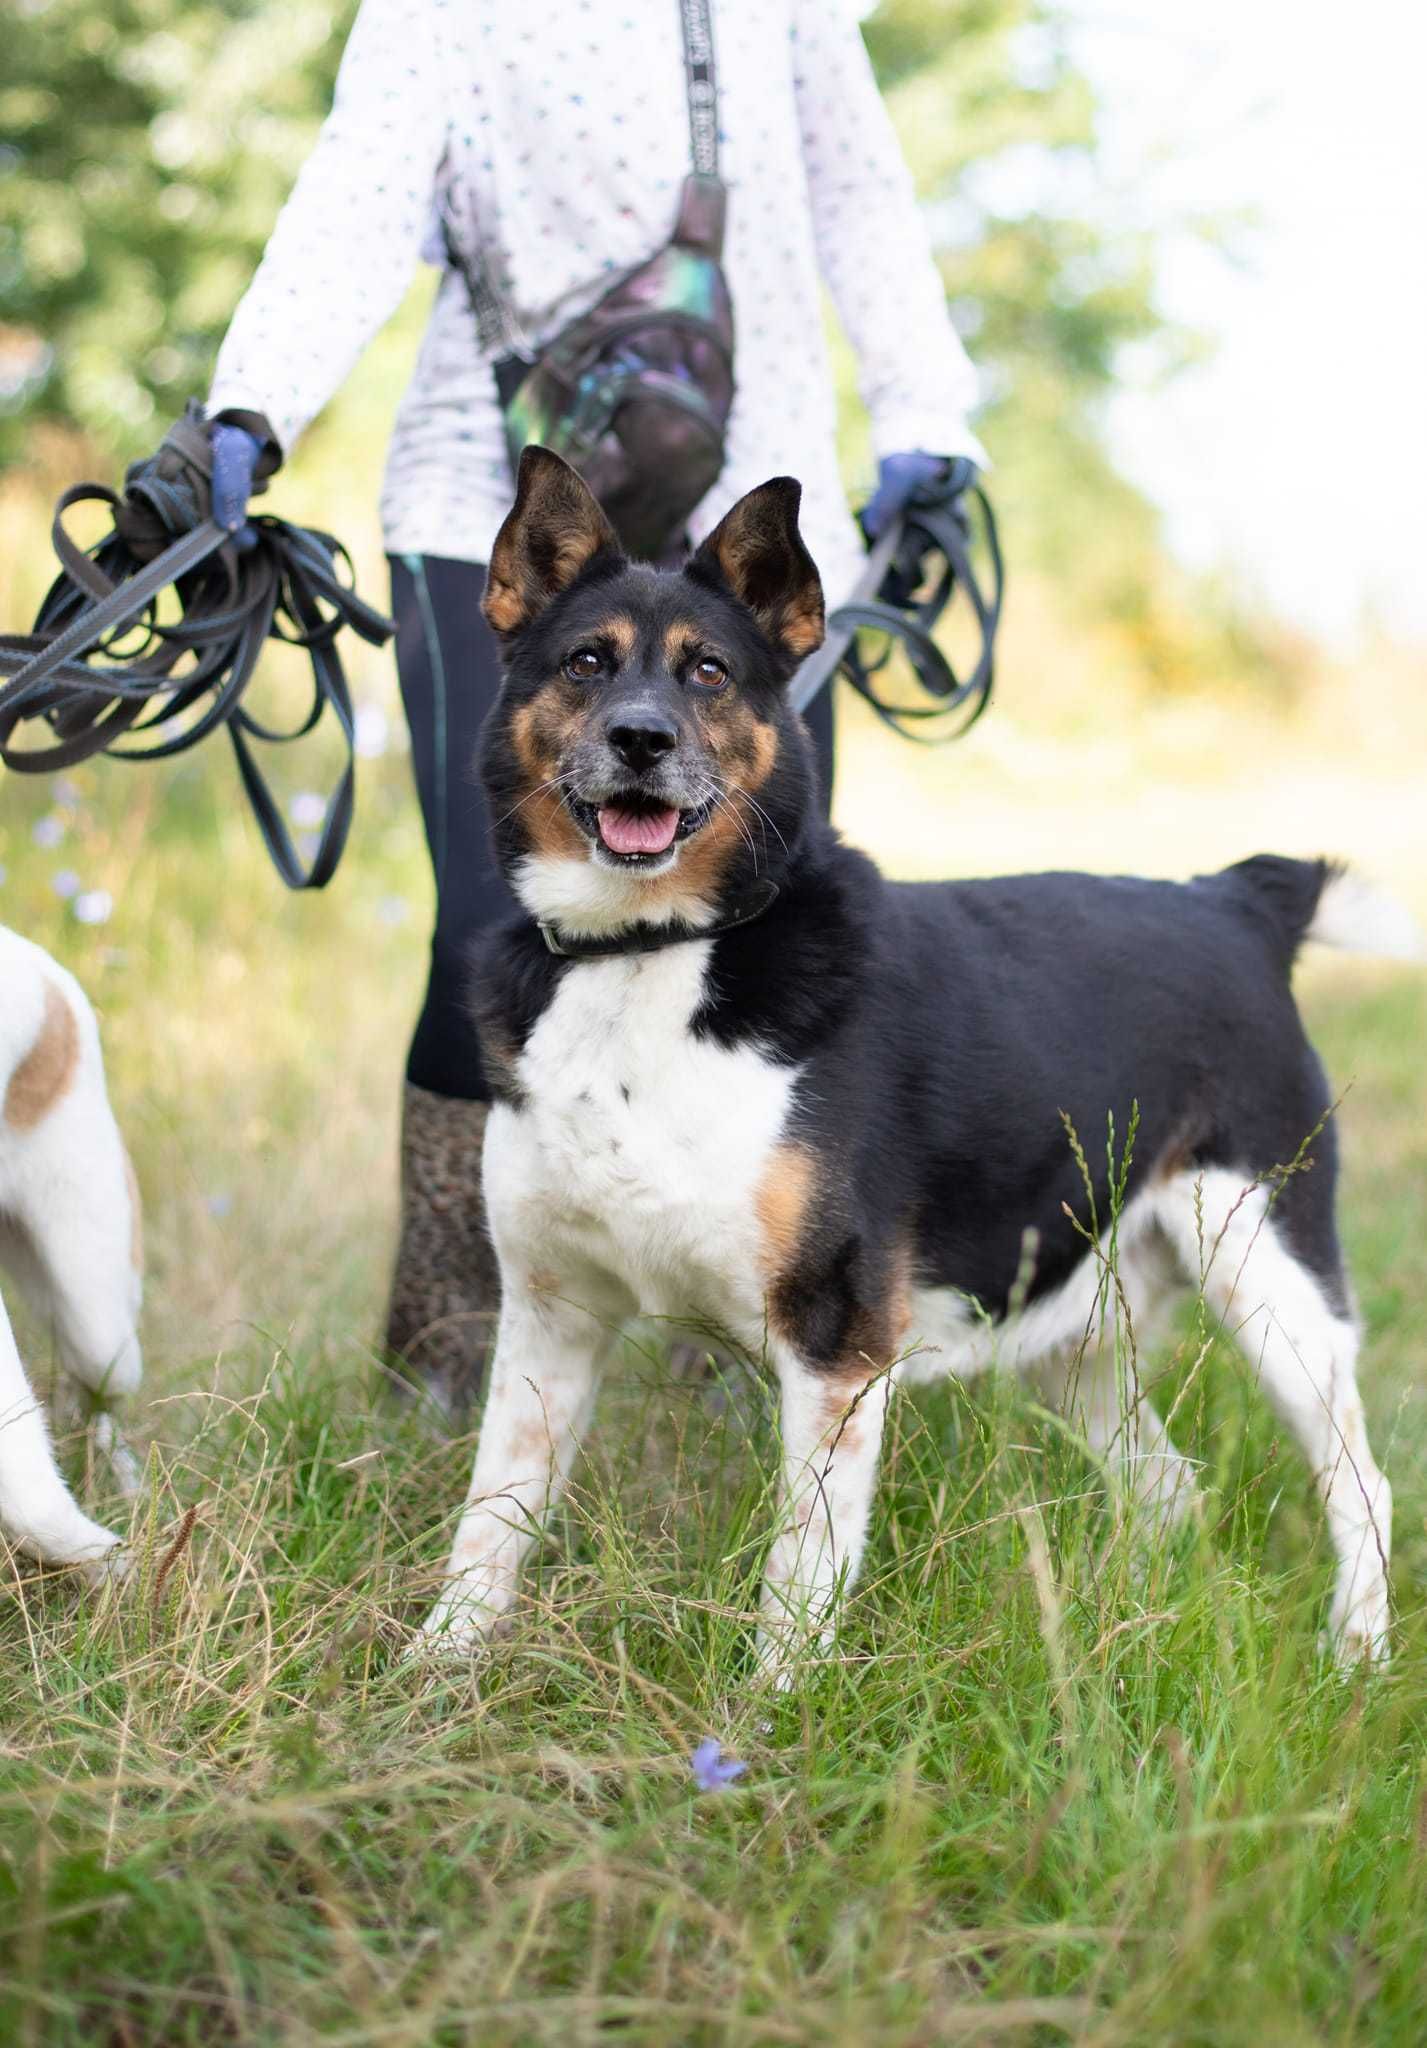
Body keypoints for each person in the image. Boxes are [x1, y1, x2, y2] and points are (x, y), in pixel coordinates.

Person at [199, 0, 986, 1416]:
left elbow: (859, 187)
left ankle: (737, 1339)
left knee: (759, 911)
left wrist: (928, 408)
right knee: (485, 922)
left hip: (756, 484)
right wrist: (251, 404)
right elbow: (361, 184)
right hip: (496, 494)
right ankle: (444, 1346)